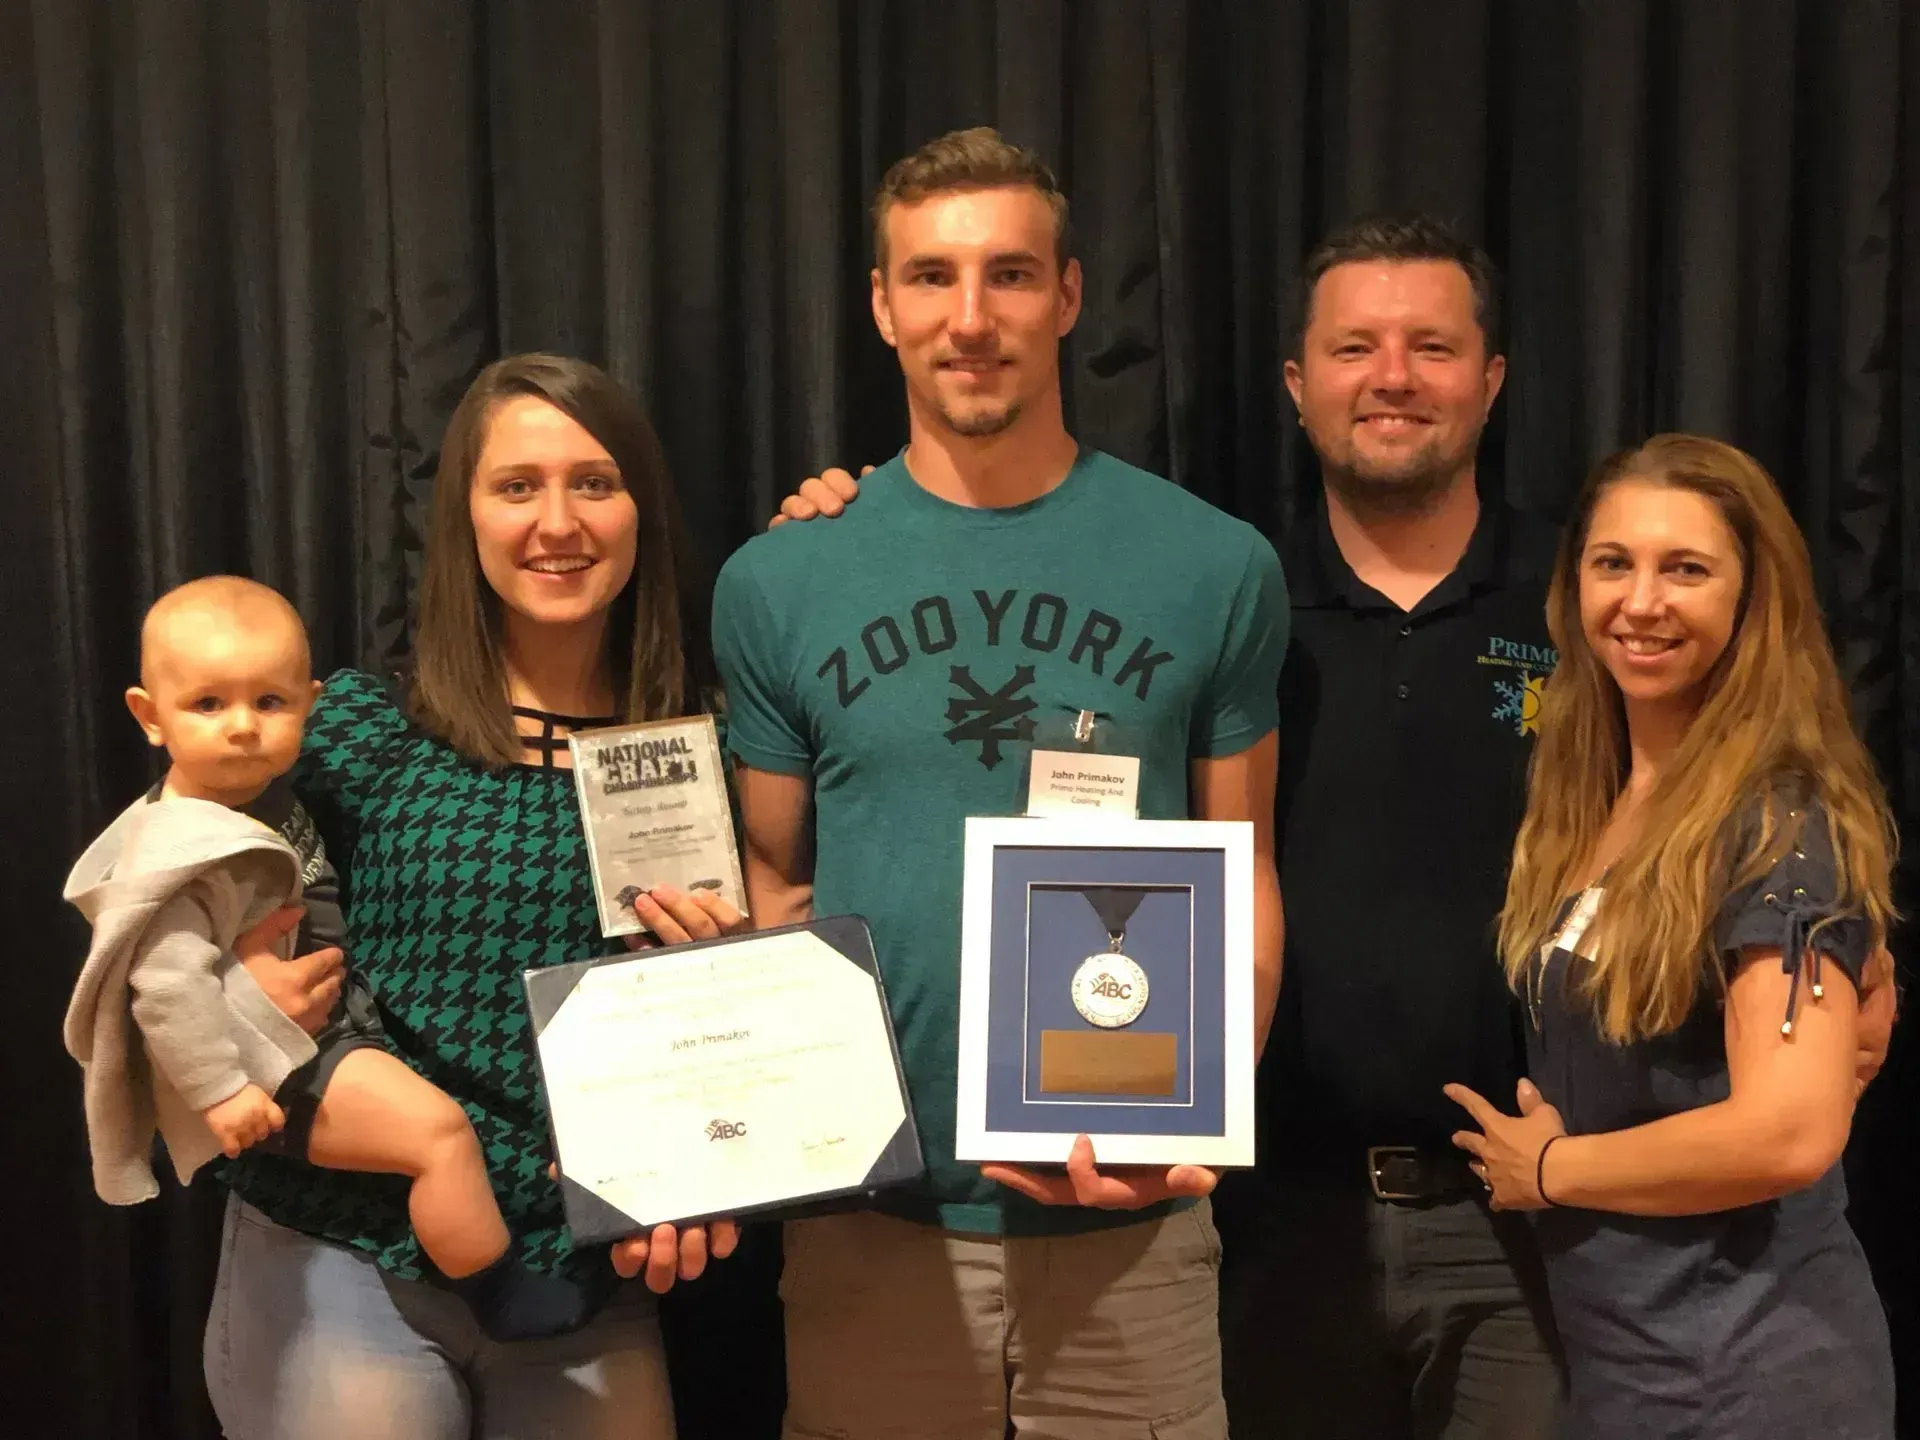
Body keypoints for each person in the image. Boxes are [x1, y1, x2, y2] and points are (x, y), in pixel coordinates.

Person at [780, 212, 1569, 1437]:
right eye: (1357, 348)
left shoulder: (1591, 599)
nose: (1395, 379)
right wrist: (851, 531)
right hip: (1271, 1208)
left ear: (1494, 376)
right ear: (1299, 385)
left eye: (1433, 347)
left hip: (1523, 1211)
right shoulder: (1230, 584)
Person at [712, 126, 1288, 1439]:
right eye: (931, 278)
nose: (970, 319)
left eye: (1012, 276)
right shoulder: (778, 581)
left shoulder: (1215, 565)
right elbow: (772, 877)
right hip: (873, 1222)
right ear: (881, 304)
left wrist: (1194, 1112)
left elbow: (1242, 868)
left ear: (1071, 295)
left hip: (1132, 1222)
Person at [201, 353, 742, 1440]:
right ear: (465, 516)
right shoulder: (356, 725)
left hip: (587, 1268)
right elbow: (183, 893)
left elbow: (740, 1013)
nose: (558, 522)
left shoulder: (711, 749)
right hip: (350, 1254)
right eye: (516, 486)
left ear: (643, 507)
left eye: (594, 481)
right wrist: (234, 982)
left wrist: (714, 1156)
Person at [1445, 434, 1898, 1437]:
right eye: (1615, 563)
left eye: (1685, 569)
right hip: (1628, 1373)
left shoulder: (1779, 818)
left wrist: (1551, 1173)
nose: (1641, 602)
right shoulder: (1598, 796)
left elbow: (1789, 1131)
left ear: (1751, 599)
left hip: (1755, 1375)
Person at [65, 575, 596, 1342]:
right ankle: (496, 1289)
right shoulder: (179, 848)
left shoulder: (262, 800)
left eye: (270, 703)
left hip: (319, 1034)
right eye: (209, 704)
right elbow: (164, 985)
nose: (243, 727)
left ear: (310, 707)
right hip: (278, 1064)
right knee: (439, 1136)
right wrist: (224, 1092)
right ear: (151, 717)